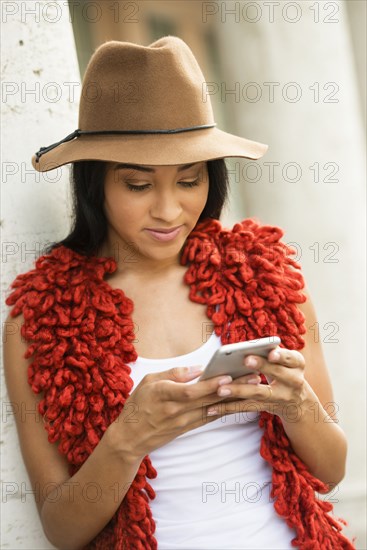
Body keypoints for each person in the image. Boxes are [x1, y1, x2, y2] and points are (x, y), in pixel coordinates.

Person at [3, 36, 355, 550]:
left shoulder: (265, 276)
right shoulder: (43, 319)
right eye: (139, 186)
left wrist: (297, 403)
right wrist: (129, 437)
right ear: (94, 183)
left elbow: (331, 472)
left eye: (189, 181)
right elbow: (62, 528)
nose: (169, 211)